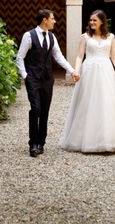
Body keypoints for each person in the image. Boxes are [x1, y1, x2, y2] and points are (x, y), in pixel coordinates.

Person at [58, 9, 115, 153]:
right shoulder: (85, 37)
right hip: (89, 71)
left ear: (102, 21)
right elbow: (79, 56)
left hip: (106, 72)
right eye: (90, 20)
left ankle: (110, 138)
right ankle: (86, 138)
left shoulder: (111, 37)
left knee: (107, 102)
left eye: (95, 20)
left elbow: (114, 57)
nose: (92, 22)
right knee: (88, 102)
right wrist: (76, 70)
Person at [16, 9, 80, 157]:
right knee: (36, 109)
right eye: (52, 19)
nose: (54, 21)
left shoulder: (52, 37)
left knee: (44, 111)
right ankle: (33, 144)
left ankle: (41, 143)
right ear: (45, 20)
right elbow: (20, 57)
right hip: (32, 78)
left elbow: (58, 56)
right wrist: (25, 76)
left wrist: (72, 71)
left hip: (47, 80)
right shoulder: (28, 35)